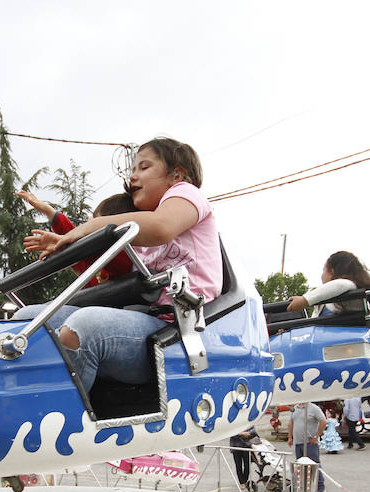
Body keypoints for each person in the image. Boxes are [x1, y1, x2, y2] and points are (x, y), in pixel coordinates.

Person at [17, 137, 222, 392]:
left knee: (84, 325)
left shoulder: (185, 195)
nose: (133, 176)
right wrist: (65, 243)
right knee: (25, 320)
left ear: (176, 175)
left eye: (144, 167)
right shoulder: (139, 235)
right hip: (142, 317)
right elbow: (102, 266)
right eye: (133, 169)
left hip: (179, 325)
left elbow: (161, 226)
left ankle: (60, 417)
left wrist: (91, 226)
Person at [17, 190, 137, 287]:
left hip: (102, 312)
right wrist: (63, 243)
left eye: (96, 227)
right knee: (26, 313)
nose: (91, 232)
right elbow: (81, 248)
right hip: (89, 306)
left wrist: (66, 240)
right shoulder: (96, 267)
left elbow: (89, 246)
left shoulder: (125, 257)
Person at [286, 251, 370, 317]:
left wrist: (304, 300)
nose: (321, 276)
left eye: (323, 271)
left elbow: (341, 285)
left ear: (332, 272)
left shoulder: (350, 292)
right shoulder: (324, 302)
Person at [287, 401, 327, 492]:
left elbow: (323, 422)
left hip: (309, 443)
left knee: (314, 464)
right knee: (300, 465)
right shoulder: (295, 408)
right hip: (298, 442)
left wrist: (316, 436)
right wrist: (290, 437)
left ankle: (320, 485)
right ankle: (303, 485)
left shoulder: (314, 408)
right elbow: (291, 422)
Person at [229, 425, 258, 492]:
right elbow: (230, 433)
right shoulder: (234, 421)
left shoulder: (249, 421)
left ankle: (245, 480)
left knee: (247, 464)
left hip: (246, 446)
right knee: (238, 465)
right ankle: (242, 482)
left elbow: (254, 431)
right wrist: (241, 434)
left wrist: (248, 434)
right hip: (236, 446)